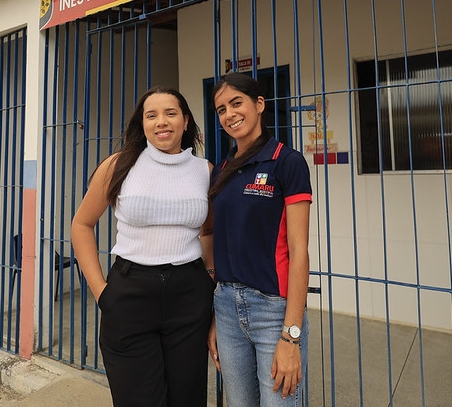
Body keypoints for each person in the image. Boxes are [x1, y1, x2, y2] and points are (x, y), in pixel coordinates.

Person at [71, 87, 215, 407]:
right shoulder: (118, 165)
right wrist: (101, 292)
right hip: (129, 293)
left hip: (189, 295)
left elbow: (209, 231)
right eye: (151, 115)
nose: (161, 122)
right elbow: (81, 225)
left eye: (171, 113)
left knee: (187, 398)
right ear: (143, 124)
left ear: (186, 121)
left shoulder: (204, 171)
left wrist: (209, 277)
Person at [207, 73, 312, 406]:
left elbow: (299, 252)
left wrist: (291, 336)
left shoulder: (287, 162)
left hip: (273, 312)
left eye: (236, 103)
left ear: (259, 104)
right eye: (221, 109)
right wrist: (215, 317)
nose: (229, 114)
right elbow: (214, 238)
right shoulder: (220, 169)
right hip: (225, 308)